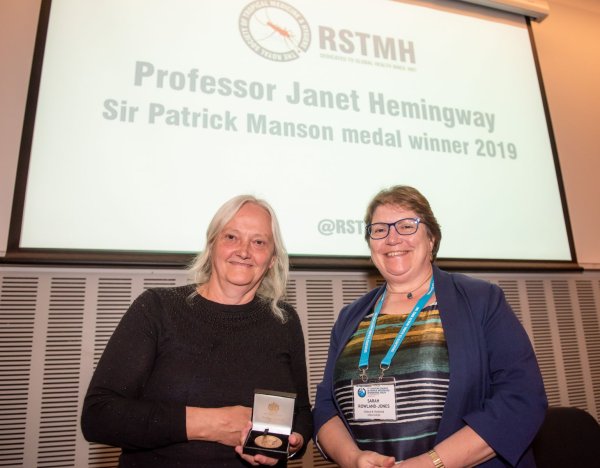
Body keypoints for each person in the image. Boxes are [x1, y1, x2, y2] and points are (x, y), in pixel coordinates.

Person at [312, 185, 547, 468]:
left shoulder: (481, 300)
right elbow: (326, 408)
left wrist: (431, 463)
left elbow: (521, 398)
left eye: (406, 226)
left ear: (432, 238)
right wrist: (353, 459)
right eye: (379, 230)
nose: (392, 238)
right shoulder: (349, 317)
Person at [81, 195, 313, 467]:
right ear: (212, 244)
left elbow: (300, 413)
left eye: (259, 242)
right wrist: (212, 424)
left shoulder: (284, 321)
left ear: (272, 258)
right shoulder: (157, 308)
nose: (244, 250)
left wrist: (293, 442)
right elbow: (99, 416)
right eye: (231, 237)